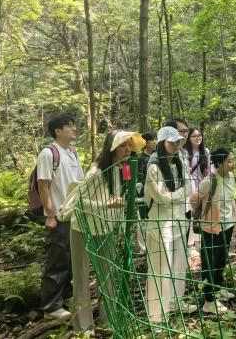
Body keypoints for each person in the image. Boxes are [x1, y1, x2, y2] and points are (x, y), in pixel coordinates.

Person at [59, 130, 144, 332]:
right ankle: (84, 327)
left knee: (108, 275)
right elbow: (80, 202)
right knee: (81, 277)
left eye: (129, 145)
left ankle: (108, 322)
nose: (127, 149)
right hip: (83, 227)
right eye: (122, 145)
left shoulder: (123, 168)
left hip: (105, 228)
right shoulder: (97, 172)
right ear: (112, 148)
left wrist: (119, 223)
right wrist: (106, 204)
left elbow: (121, 200)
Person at [145, 126, 197, 325]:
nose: (176, 145)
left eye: (178, 141)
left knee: (179, 265)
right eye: (172, 142)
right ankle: (157, 314)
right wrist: (178, 195)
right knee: (161, 268)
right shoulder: (154, 166)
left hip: (179, 221)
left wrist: (174, 195)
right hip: (161, 224)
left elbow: (188, 188)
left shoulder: (179, 161)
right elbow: (161, 198)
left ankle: (175, 302)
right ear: (161, 143)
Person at [37, 113, 84, 320]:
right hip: (58, 215)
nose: (73, 128)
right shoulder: (49, 153)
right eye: (69, 126)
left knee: (71, 259)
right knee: (57, 260)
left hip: (74, 214)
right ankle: (51, 307)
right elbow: (43, 185)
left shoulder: (73, 152)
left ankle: (65, 297)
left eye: (74, 125)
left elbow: (80, 182)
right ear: (57, 131)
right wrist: (50, 214)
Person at [192, 148, 236, 315]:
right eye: (229, 161)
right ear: (219, 163)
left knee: (221, 259)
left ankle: (217, 289)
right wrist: (208, 212)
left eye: (233, 160)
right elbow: (194, 200)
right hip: (212, 228)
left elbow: (231, 199)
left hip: (228, 225)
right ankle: (209, 301)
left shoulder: (231, 177)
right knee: (209, 262)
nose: (233, 164)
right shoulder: (209, 181)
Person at [183, 128, 210, 256]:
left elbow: (209, 170)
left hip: (202, 185)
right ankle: (190, 244)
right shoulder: (184, 152)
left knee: (202, 214)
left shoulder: (205, 151)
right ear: (189, 138)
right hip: (190, 185)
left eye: (199, 135)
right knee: (191, 214)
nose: (197, 138)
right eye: (194, 136)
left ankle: (200, 242)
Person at [136, 132, 156, 253]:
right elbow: (138, 179)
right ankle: (143, 248)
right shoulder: (140, 160)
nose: (155, 142)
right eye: (153, 140)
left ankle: (152, 245)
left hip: (156, 193)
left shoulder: (157, 158)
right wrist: (142, 192)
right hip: (143, 194)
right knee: (143, 220)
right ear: (146, 143)